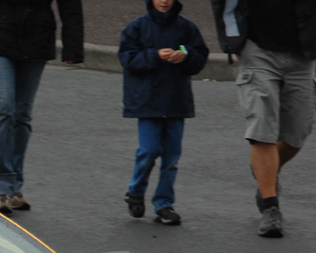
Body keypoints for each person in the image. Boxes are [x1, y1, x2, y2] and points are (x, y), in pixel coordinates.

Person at [0, 0, 84, 214]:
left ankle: (14, 185)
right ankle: (0, 187)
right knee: (2, 107)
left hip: (36, 38)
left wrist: (73, 46)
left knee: (22, 115)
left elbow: (70, 5)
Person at [210, 0, 316, 237]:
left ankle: (264, 169)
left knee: (297, 133)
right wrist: (234, 42)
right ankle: (270, 207)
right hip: (258, 52)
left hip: (302, 55)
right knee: (262, 129)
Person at [119, 0, 209, 226]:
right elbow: (128, 58)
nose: (164, 1)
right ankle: (136, 191)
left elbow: (199, 56)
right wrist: (155, 55)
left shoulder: (186, 27)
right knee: (148, 151)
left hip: (176, 102)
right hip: (148, 102)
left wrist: (184, 55)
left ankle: (164, 203)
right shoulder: (137, 27)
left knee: (171, 157)